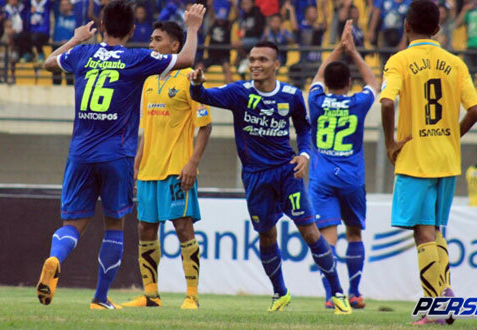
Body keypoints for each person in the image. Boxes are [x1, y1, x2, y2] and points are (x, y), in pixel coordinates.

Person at [37, 0, 206, 310]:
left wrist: (75, 38)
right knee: (115, 226)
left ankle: (55, 258)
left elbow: (48, 63)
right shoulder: (136, 59)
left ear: (101, 26)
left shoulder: (83, 54)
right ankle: (100, 298)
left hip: (80, 153)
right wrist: (193, 27)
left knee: (72, 224)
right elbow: (187, 58)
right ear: (132, 30)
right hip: (117, 155)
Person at [189, 40, 353, 315]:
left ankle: (337, 293)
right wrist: (196, 83)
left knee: (310, 232)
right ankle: (280, 292)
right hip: (255, 177)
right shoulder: (238, 92)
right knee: (266, 235)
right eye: (252, 59)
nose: (255, 64)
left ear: (277, 65)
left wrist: (305, 155)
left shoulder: (290, 95)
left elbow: (304, 129)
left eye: (263, 60)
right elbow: (202, 96)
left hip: (286, 173)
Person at [379, 0, 477, 325]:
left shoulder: (400, 60)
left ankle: (438, 304)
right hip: (447, 159)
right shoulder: (455, 62)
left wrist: (390, 142)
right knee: (435, 231)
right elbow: (476, 111)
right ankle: (442, 292)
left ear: (406, 26)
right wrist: (453, 136)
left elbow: (385, 103)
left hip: (415, 159)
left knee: (423, 232)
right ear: (438, 29)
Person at [121, 21, 213, 310]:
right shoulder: (149, 81)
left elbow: (205, 125)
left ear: (175, 47)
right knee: (145, 230)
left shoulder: (190, 78)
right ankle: (151, 296)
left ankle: (192, 296)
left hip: (177, 168)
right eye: (150, 39)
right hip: (149, 169)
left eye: (157, 39)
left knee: (183, 228)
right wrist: (136, 165)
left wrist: (192, 163)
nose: (151, 44)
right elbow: (147, 129)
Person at [308, 20, 378, 310]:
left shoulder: (316, 100)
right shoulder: (358, 103)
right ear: (349, 83)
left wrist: (338, 47)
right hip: (351, 178)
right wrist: (354, 51)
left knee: (327, 239)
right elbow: (375, 83)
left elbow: (316, 78)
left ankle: (331, 295)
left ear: (327, 83)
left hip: (321, 178)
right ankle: (355, 292)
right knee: (354, 234)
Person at [51, 0, 76, 85]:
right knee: (56, 76)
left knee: (69, 76)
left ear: (71, 6)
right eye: (62, 5)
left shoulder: (75, 18)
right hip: (56, 49)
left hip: (69, 51)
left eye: (66, 5)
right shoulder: (57, 16)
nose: (65, 7)